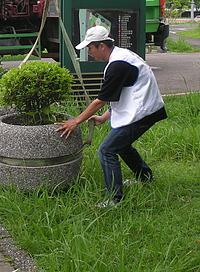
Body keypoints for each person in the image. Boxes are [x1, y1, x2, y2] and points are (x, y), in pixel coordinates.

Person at [55, 26, 167, 206]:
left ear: (101, 46)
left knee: (107, 150)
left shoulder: (118, 65)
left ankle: (114, 199)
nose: (89, 53)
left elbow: (100, 100)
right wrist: (104, 117)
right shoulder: (120, 56)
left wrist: (76, 121)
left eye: (90, 48)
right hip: (144, 108)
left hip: (144, 112)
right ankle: (144, 177)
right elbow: (120, 94)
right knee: (121, 145)